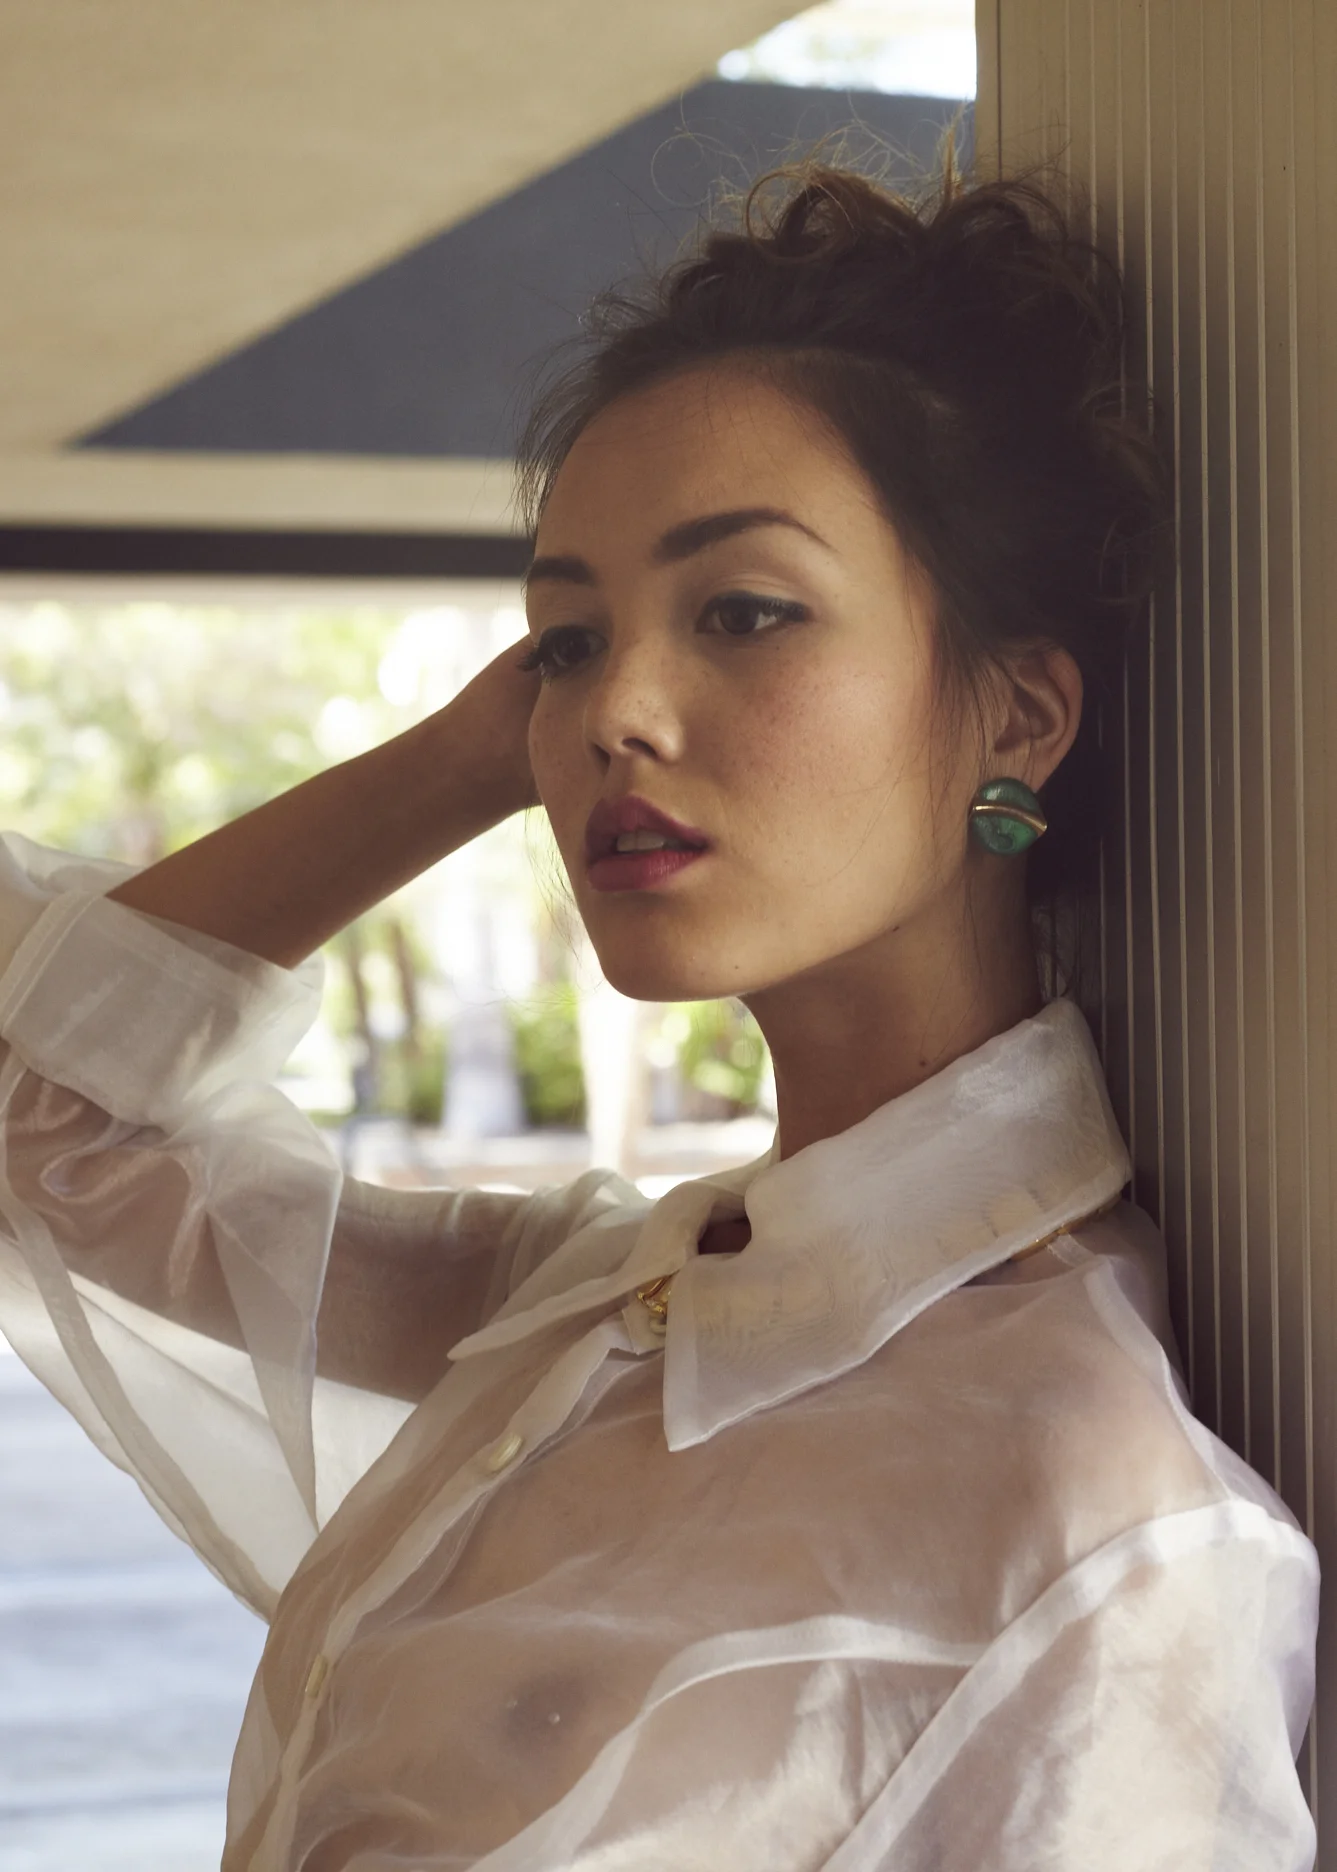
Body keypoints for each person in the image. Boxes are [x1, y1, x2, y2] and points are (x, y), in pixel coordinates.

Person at [0, 141, 1318, 1871]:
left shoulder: (1102, 1527)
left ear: (1021, 717)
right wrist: (485, 749)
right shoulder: (577, 1312)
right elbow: (52, 1121)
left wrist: (578, 683)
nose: (619, 707)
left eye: (747, 611)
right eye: (566, 640)